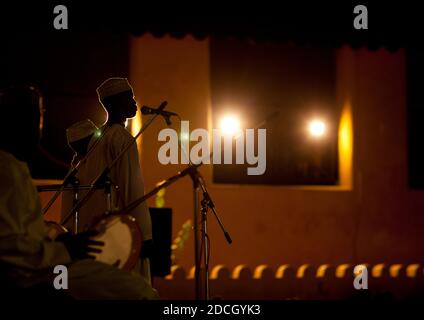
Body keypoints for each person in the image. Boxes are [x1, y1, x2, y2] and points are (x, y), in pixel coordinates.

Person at [0, 86, 158, 300]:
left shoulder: (15, 167)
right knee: (137, 291)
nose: (37, 129)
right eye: (31, 119)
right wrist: (144, 235)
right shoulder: (7, 171)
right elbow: (12, 252)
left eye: (38, 119)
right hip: (40, 273)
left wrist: (61, 238)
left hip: (53, 261)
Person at [70, 77, 154, 284]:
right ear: (114, 104)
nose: (134, 103)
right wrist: (144, 235)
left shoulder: (97, 140)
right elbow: (131, 189)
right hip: (118, 235)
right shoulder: (121, 138)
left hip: (95, 235)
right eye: (129, 98)